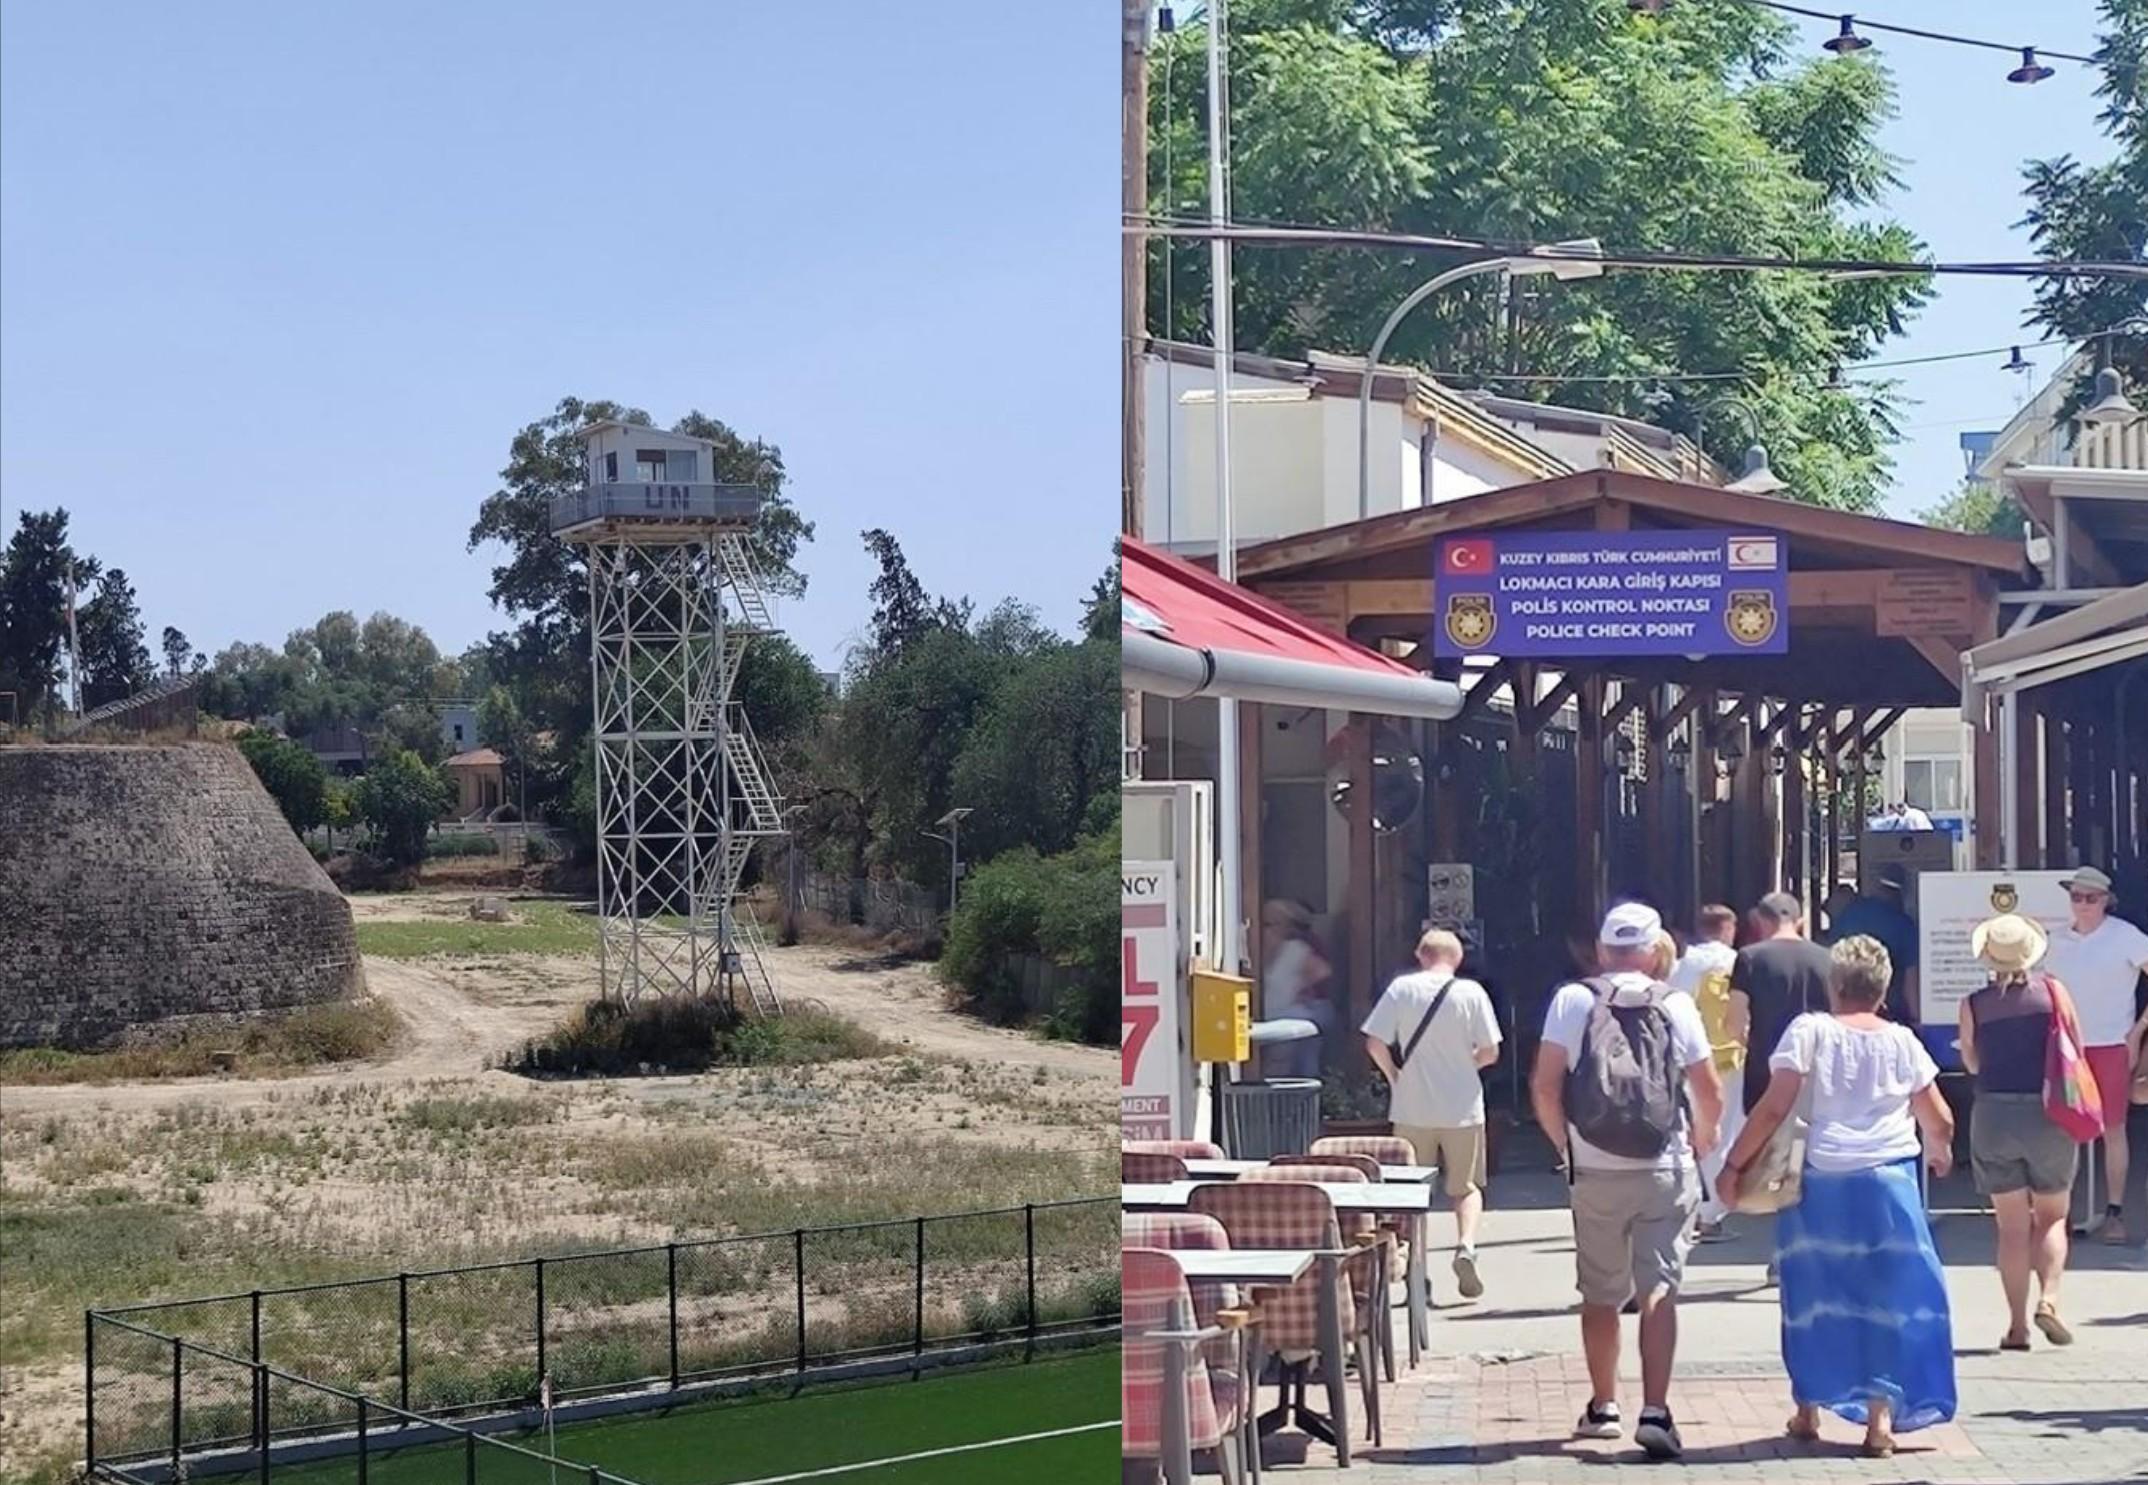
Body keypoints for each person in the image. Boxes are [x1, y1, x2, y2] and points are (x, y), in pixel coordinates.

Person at [1720, 936, 1956, 1459]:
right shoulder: (1904, 1041)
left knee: (1814, 1296)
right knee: (1886, 1301)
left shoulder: (1809, 1032)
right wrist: (1938, 1152)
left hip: (1820, 1183)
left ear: (1834, 985)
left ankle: (1807, 1409)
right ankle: (1880, 1422)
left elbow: (1772, 1108)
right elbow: (1938, 1117)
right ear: (1883, 988)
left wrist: (1734, 1165)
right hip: (1890, 1183)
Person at [1530, 902, 1722, 1461]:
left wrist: (1565, 1145)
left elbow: (1543, 1086)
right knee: (1659, 1287)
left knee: (1600, 1293)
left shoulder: (1573, 999)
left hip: (1594, 1168)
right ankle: (1656, 1410)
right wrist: (1702, 1139)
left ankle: (1603, 1405)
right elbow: (1707, 1088)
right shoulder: (1676, 1003)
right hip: (1665, 1166)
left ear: (1601, 949)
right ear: (1652, 948)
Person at [1957, 912, 2084, 1347]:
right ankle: (2049, 1298)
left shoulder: (1974, 1003)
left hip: (1993, 1113)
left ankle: (2016, 1326)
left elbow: (1972, 1062)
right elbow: (2075, 1051)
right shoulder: (2054, 993)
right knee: (2052, 1216)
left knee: (2011, 1227)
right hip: (2048, 1113)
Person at [1363, 929, 1503, 1299]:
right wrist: (1466, 1065)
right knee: (1466, 1188)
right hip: (1463, 1107)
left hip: (1412, 1107)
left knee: (1411, 1193)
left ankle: (1417, 1272)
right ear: (1457, 959)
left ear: (1420, 955)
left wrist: (1396, 1076)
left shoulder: (1401, 990)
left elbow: (1375, 1042)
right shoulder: (1472, 993)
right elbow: (1490, 1052)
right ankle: (1466, 1246)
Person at [2040, 865, 2148, 1245]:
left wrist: (2137, 1033)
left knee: (2113, 1129)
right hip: (2066, 1047)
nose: (2083, 905)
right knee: (2062, 1128)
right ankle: (2061, 1212)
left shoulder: (2126, 937)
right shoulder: (2053, 940)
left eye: (2091, 898)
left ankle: (2114, 1212)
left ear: (2106, 901)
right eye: (2076, 897)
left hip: (2111, 1045)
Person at [1670, 905, 1745, 1238]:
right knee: (1726, 1132)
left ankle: (1707, 1204)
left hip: (1694, 1060)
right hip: (1733, 1058)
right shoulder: (1738, 963)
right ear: (1728, 929)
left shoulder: (1684, 965)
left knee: (1698, 1131)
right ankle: (1714, 1208)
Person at [1729, 893, 1833, 1117]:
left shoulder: (1749, 958)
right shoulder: (1827, 958)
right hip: (1817, 1071)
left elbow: (1734, 1025)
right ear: (1800, 921)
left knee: (1768, 1147)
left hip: (1765, 1074)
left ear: (1759, 920)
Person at [1824, 864, 1921, 1025]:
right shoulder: (1904, 925)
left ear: (1876, 887)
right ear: (1901, 893)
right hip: (1891, 1010)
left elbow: (1831, 958)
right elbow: (1910, 982)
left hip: (1846, 1005)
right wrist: (1916, 1018)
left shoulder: (1850, 913)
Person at [1260, 899, 1334, 1080]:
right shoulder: (1254, 951)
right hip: (1264, 1021)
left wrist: (1302, 988)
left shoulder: (1295, 950)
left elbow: (1323, 971)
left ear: (1284, 926)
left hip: (1286, 1020)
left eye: (1270, 924)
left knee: (1283, 1071)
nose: (1265, 929)